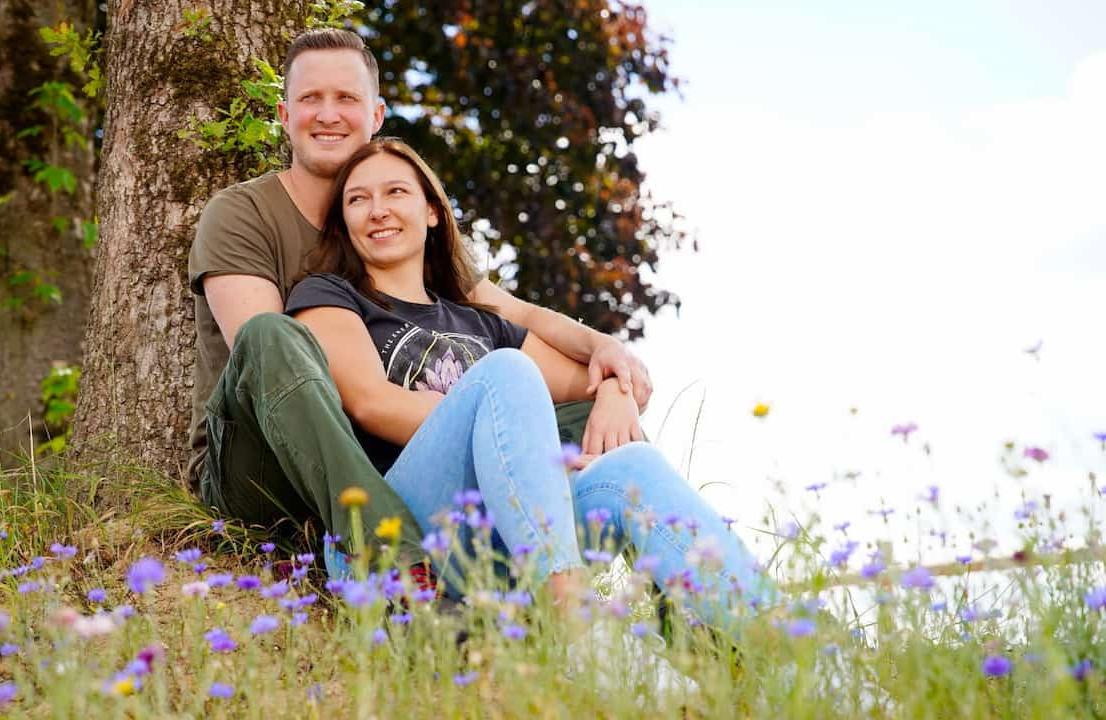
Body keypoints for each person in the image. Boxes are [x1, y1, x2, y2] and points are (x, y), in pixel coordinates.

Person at [187, 29, 653, 579]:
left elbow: (511, 314)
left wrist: (611, 367)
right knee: (273, 334)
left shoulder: (398, 231)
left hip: (396, 460)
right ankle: (387, 555)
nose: (328, 114)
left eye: (347, 99)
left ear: (377, 114)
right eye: (311, 99)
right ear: (286, 116)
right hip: (266, 466)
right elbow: (274, 375)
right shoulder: (243, 214)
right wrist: (485, 426)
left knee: (599, 428)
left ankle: (675, 609)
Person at [284, 138, 779, 634]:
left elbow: (588, 381)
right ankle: (572, 618)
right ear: (344, 222)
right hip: (408, 530)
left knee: (634, 466)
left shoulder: (477, 319)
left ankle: (796, 651)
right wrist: (521, 438)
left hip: (505, 533)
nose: (378, 211)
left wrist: (613, 389)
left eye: (395, 192)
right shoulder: (327, 294)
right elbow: (371, 404)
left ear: (432, 211)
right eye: (357, 200)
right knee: (506, 373)